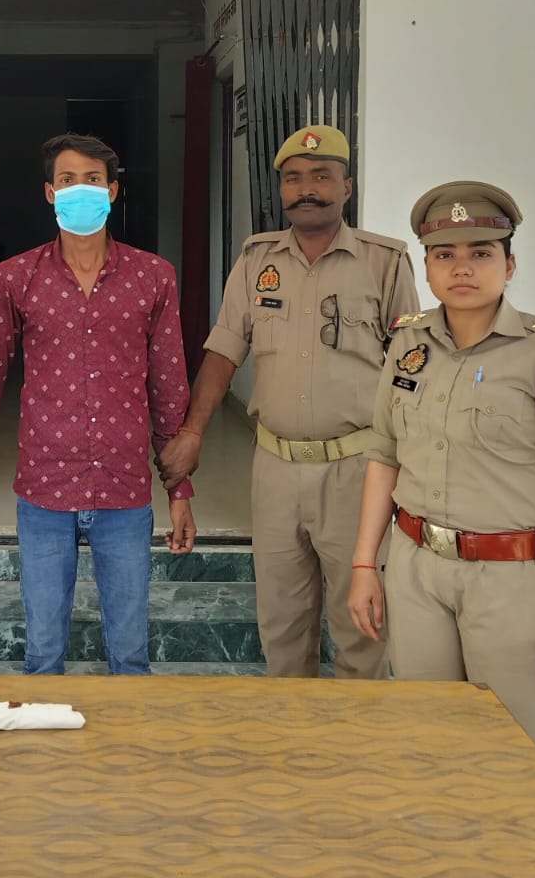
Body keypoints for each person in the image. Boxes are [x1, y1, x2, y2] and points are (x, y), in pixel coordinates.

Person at [346, 181, 535, 754]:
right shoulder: (408, 343)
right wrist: (366, 563)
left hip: (512, 580)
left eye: (481, 253)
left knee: (509, 754)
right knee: (425, 741)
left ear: (510, 265)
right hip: (417, 570)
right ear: (427, 267)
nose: (461, 268)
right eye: (444, 254)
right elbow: (385, 455)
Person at [158, 125, 418, 679]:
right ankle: (291, 727)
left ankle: (356, 728)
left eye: (322, 176)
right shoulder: (257, 260)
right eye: (294, 179)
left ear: (347, 186)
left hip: (355, 469)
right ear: (281, 190)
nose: (307, 189)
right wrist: (194, 431)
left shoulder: (385, 262)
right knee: (281, 623)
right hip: (274, 468)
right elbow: (224, 352)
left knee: (362, 624)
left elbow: (411, 372)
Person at [0, 133, 196, 675]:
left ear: (113, 191)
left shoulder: (153, 276)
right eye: (68, 180)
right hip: (44, 491)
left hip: (124, 491)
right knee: (42, 653)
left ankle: (127, 730)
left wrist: (179, 490)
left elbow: (169, 388)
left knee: (131, 655)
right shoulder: (16, 276)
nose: (81, 190)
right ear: (49, 193)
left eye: (93, 180)